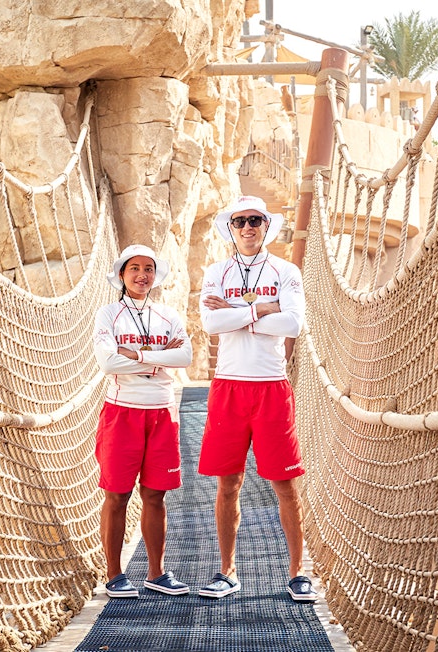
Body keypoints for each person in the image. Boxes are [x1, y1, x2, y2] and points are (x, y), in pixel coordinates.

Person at [196, 195, 317, 602]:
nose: (247, 227)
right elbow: (211, 322)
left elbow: (294, 324)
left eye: (255, 220)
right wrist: (261, 308)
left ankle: (297, 573)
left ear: (267, 227)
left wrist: (237, 309)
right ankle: (227, 572)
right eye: (240, 221)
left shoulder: (286, 271)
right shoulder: (216, 271)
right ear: (230, 228)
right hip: (228, 387)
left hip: (271, 388)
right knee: (227, 485)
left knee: (285, 484)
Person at [92, 244, 193, 598]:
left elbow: (186, 356)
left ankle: (156, 573)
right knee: (117, 495)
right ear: (122, 274)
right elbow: (107, 364)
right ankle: (114, 574)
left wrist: (133, 354)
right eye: (134, 268)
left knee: (155, 496)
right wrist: (159, 359)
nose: (142, 275)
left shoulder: (168, 315)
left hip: (162, 412)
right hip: (122, 411)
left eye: (148, 268)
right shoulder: (108, 315)